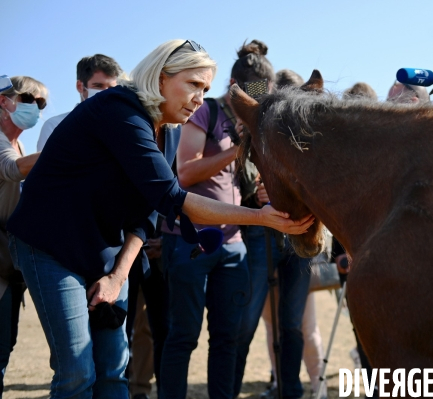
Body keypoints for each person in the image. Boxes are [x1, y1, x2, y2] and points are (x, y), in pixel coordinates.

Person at [7, 39, 312, 399]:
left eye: (206, 89)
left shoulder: (167, 130)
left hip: (103, 253)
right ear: (161, 78)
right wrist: (260, 217)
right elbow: (172, 197)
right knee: (77, 371)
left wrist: (117, 276)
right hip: (50, 246)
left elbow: (147, 212)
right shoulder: (120, 110)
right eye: (194, 85)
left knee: (113, 371)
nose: (200, 98)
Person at [158, 39, 263, 399]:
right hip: (190, 241)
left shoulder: (251, 121)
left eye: (260, 95)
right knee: (183, 335)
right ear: (232, 86)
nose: (253, 101)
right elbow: (184, 174)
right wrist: (238, 149)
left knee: (227, 338)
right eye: (248, 93)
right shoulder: (207, 111)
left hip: (233, 246)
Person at [231, 52, 314, 399]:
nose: (259, 90)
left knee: (292, 325)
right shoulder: (245, 118)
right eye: (253, 85)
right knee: (246, 323)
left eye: (263, 84)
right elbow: (242, 180)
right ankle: (229, 390)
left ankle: (290, 390)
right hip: (258, 231)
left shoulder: (292, 118)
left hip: (296, 230)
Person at [0, 75, 48, 397]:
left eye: (41, 104)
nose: (36, 108)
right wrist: (70, 147)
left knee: (4, 348)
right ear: (4, 100)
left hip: (8, 267)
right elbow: (11, 168)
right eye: (30, 99)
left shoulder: (19, 144)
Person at [37, 54, 122, 151]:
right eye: (98, 86)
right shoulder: (55, 125)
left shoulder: (121, 125)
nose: (106, 93)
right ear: (80, 86)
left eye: (112, 88)